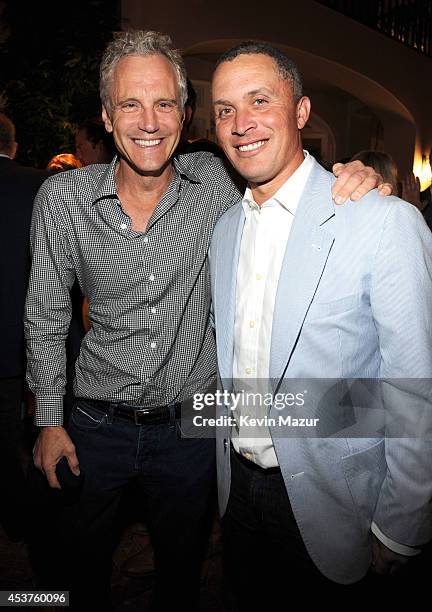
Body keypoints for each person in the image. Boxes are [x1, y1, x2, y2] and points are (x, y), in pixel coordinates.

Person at [25, 30, 389, 611]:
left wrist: (353, 178)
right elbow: (46, 314)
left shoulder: (218, 186)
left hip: (193, 431)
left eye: (164, 103)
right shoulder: (63, 198)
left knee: (184, 574)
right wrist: (47, 420)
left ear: (185, 112)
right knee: (76, 572)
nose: (149, 121)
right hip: (93, 426)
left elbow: (287, 170)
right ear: (106, 114)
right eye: (130, 104)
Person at [209, 41, 432, 607]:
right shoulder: (226, 229)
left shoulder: (382, 222)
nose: (241, 124)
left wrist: (402, 525)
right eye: (225, 110)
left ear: (301, 112)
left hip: (338, 503)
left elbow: (413, 387)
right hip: (236, 492)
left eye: (260, 100)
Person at [0, 113, 49, 542]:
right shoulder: (40, 186)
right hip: (30, 336)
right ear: (13, 145)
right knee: (39, 432)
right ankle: (34, 520)